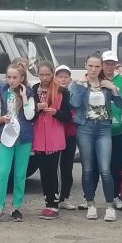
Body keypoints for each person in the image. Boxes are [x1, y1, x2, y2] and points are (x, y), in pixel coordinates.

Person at [72, 53, 122, 221]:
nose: (94, 69)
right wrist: (80, 86)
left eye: (97, 66)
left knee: (105, 169)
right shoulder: (79, 84)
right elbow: (74, 104)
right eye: (90, 66)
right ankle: (91, 204)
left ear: (101, 67)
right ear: (85, 66)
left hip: (103, 128)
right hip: (85, 128)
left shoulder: (105, 84)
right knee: (87, 169)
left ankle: (109, 206)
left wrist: (113, 88)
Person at [0, 62, 36, 223]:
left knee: (20, 174)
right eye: (9, 77)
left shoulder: (29, 93)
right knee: (3, 172)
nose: (12, 80)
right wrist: (3, 119)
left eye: (15, 77)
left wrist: (23, 97)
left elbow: (29, 116)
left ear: (22, 78)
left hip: (23, 138)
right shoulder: (0, 93)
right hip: (5, 137)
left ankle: (16, 207)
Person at [30, 61, 72, 218]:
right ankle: (47, 201)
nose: (45, 77)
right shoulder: (34, 89)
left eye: (48, 74)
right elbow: (30, 114)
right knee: (43, 171)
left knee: (52, 170)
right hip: (39, 135)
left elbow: (67, 116)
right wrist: (36, 110)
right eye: (42, 74)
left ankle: (54, 204)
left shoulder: (62, 91)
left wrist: (55, 112)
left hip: (55, 137)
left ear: (52, 74)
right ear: (38, 74)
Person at [103, 53, 122, 210]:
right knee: (96, 165)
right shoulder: (96, 78)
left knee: (116, 165)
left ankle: (116, 196)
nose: (109, 66)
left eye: (112, 63)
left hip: (118, 130)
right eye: (106, 63)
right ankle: (90, 198)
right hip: (100, 129)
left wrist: (115, 91)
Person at [55, 63, 81, 210]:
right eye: (60, 76)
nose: (63, 79)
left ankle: (65, 197)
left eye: (66, 77)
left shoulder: (73, 93)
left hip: (69, 134)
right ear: (55, 78)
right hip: (55, 134)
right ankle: (54, 197)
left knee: (67, 167)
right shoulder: (52, 92)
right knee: (54, 168)